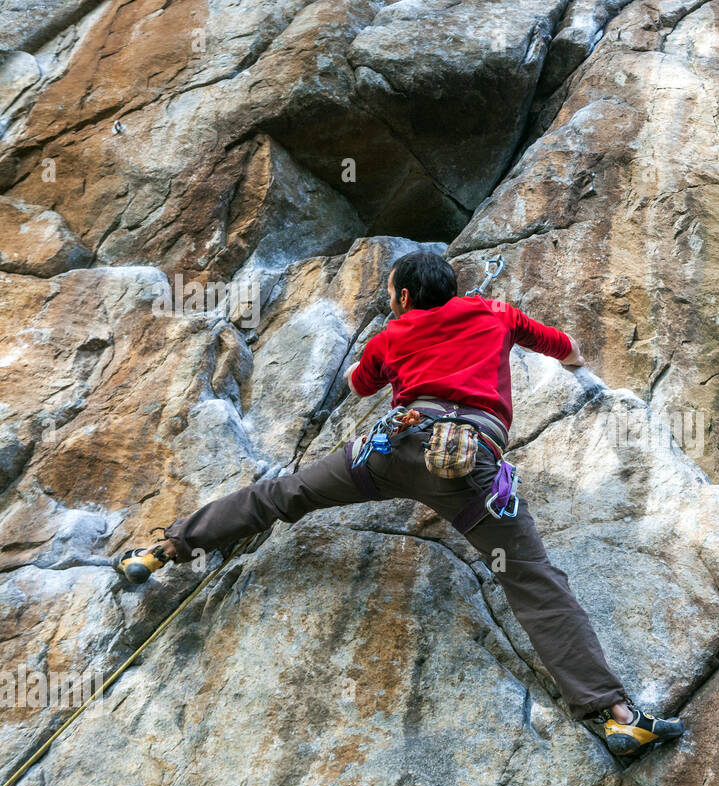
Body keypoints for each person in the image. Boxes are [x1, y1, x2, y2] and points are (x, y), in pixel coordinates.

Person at [115, 251, 685, 759]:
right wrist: (580, 370)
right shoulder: (494, 313)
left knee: (285, 494)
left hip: (386, 451)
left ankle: (165, 549)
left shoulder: (393, 334)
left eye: (391, 293)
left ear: (404, 296)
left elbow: (362, 386)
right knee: (533, 581)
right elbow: (561, 344)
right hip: (466, 466)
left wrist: (393, 335)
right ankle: (620, 719)